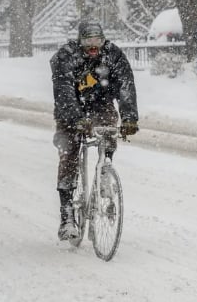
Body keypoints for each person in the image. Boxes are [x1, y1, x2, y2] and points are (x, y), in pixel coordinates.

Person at [49, 21, 139, 241]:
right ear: (80, 41)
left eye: (97, 41)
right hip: (71, 108)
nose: (93, 46)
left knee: (108, 127)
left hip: (100, 104)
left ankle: (105, 170)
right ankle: (67, 215)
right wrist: (76, 119)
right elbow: (63, 92)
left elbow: (126, 84)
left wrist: (129, 118)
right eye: (88, 41)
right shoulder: (66, 57)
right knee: (69, 150)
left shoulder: (113, 55)